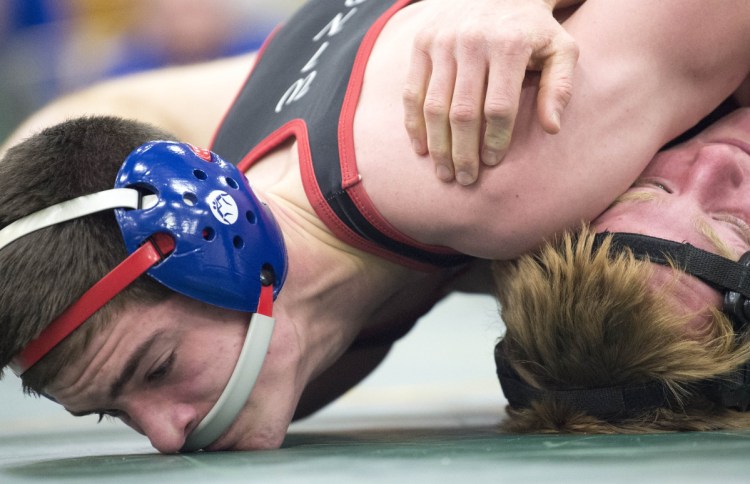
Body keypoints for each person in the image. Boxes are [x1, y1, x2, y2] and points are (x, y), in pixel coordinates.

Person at [1, 0, 749, 454]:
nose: (167, 434)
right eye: (111, 413)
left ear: (213, 244)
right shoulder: (295, 365)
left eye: (157, 368)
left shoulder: (491, 169)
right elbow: (62, 146)